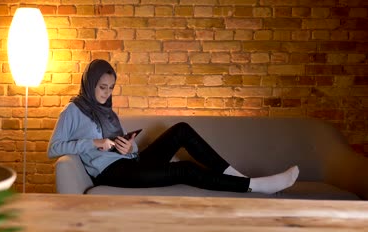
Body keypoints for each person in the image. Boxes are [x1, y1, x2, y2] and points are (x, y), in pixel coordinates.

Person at [48, 59, 299, 194]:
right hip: (111, 173)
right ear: (89, 82)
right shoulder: (73, 111)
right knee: (185, 169)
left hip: (129, 162)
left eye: (111, 88)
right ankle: (255, 186)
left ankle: (237, 176)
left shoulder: (108, 112)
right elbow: (54, 148)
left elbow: (127, 148)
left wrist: (130, 148)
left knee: (181, 129)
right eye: (102, 87)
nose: (106, 93)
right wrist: (93, 143)